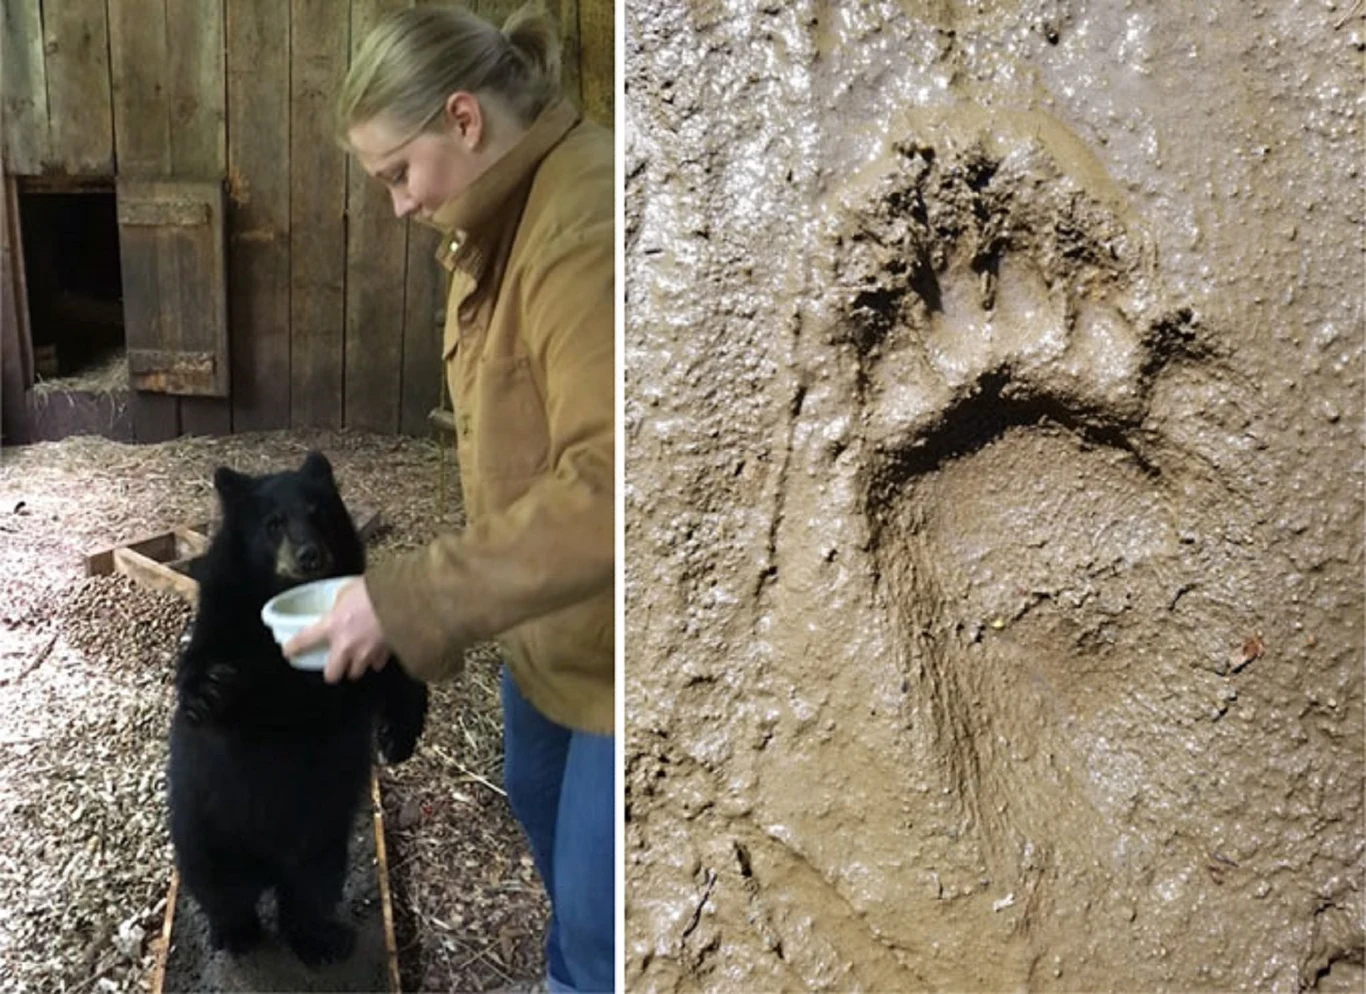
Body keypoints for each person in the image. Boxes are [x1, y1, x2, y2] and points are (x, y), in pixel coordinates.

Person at [283, 4, 615, 991]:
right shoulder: (492, 221)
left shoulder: (580, 225)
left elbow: (614, 490)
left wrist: (407, 599)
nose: (395, 204)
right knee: (556, 845)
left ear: (464, 119)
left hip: (617, 664)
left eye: (397, 172)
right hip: (546, 629)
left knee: (607, 929)